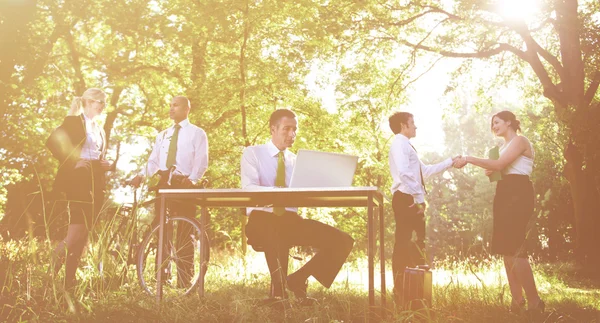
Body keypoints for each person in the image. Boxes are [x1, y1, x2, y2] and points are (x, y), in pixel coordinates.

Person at [241, 109, 354, 306]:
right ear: (273, 129)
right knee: (273, 228)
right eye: (286, 129)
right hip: (262, 218)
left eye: (295, 130)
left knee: (343, 240)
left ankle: (296, 279)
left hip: (290, 221)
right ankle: (278, 294)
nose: (292, 134)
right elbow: (249, 187)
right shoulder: (253, 153)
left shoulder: (297, 162)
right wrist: (279, 192)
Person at [461, 111, 544, 312]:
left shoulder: (520, 140)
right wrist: (491, 170)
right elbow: (496, 170)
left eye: (496, 122)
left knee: (515, 248)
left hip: (519, 192)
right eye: (492, 123)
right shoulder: (501, 147)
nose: (494, 126)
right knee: (506, 250)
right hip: (504, 193)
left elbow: (499, 164)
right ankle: (517, 301)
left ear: (509, 122)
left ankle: (535, 302)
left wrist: (469, 158)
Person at [130, 96, 209, 287]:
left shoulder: (197, 133)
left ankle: (184, 279)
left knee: (185, 231)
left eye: (176, 105)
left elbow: (201, 159)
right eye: (170, 105)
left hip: (185, 185)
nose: (171, 109)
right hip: (164, 184)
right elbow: (153, 161)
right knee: (161, 230)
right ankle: (161, 277)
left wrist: (192, 180)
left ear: (187, 109)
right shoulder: (163, 135)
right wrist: (141, 175)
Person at [388, 111, 464, 305]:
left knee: (417, 245)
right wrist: (418, 198)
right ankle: (400, 293)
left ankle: (415, 294)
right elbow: (405, 173)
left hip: (411, 199)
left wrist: (450, 162)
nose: (415, 126)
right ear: (403, 125)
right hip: (406, 199)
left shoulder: (407, 146)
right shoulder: (399, 143)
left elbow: (425, 171)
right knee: (404, 245)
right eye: (412, 123)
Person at [46, 88, 113, 288]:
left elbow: (98, 154)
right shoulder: (74, 121)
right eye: (99, 102)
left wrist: (106, 165)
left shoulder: (99, 128)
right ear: (89, 102)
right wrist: (74, 160)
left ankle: (69, 281)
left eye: (104, 103)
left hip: (96, 180)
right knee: (75, 231)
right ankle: (49, 277)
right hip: (78, 179)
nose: (103, 106)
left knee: (83, 235)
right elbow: (52, 143)